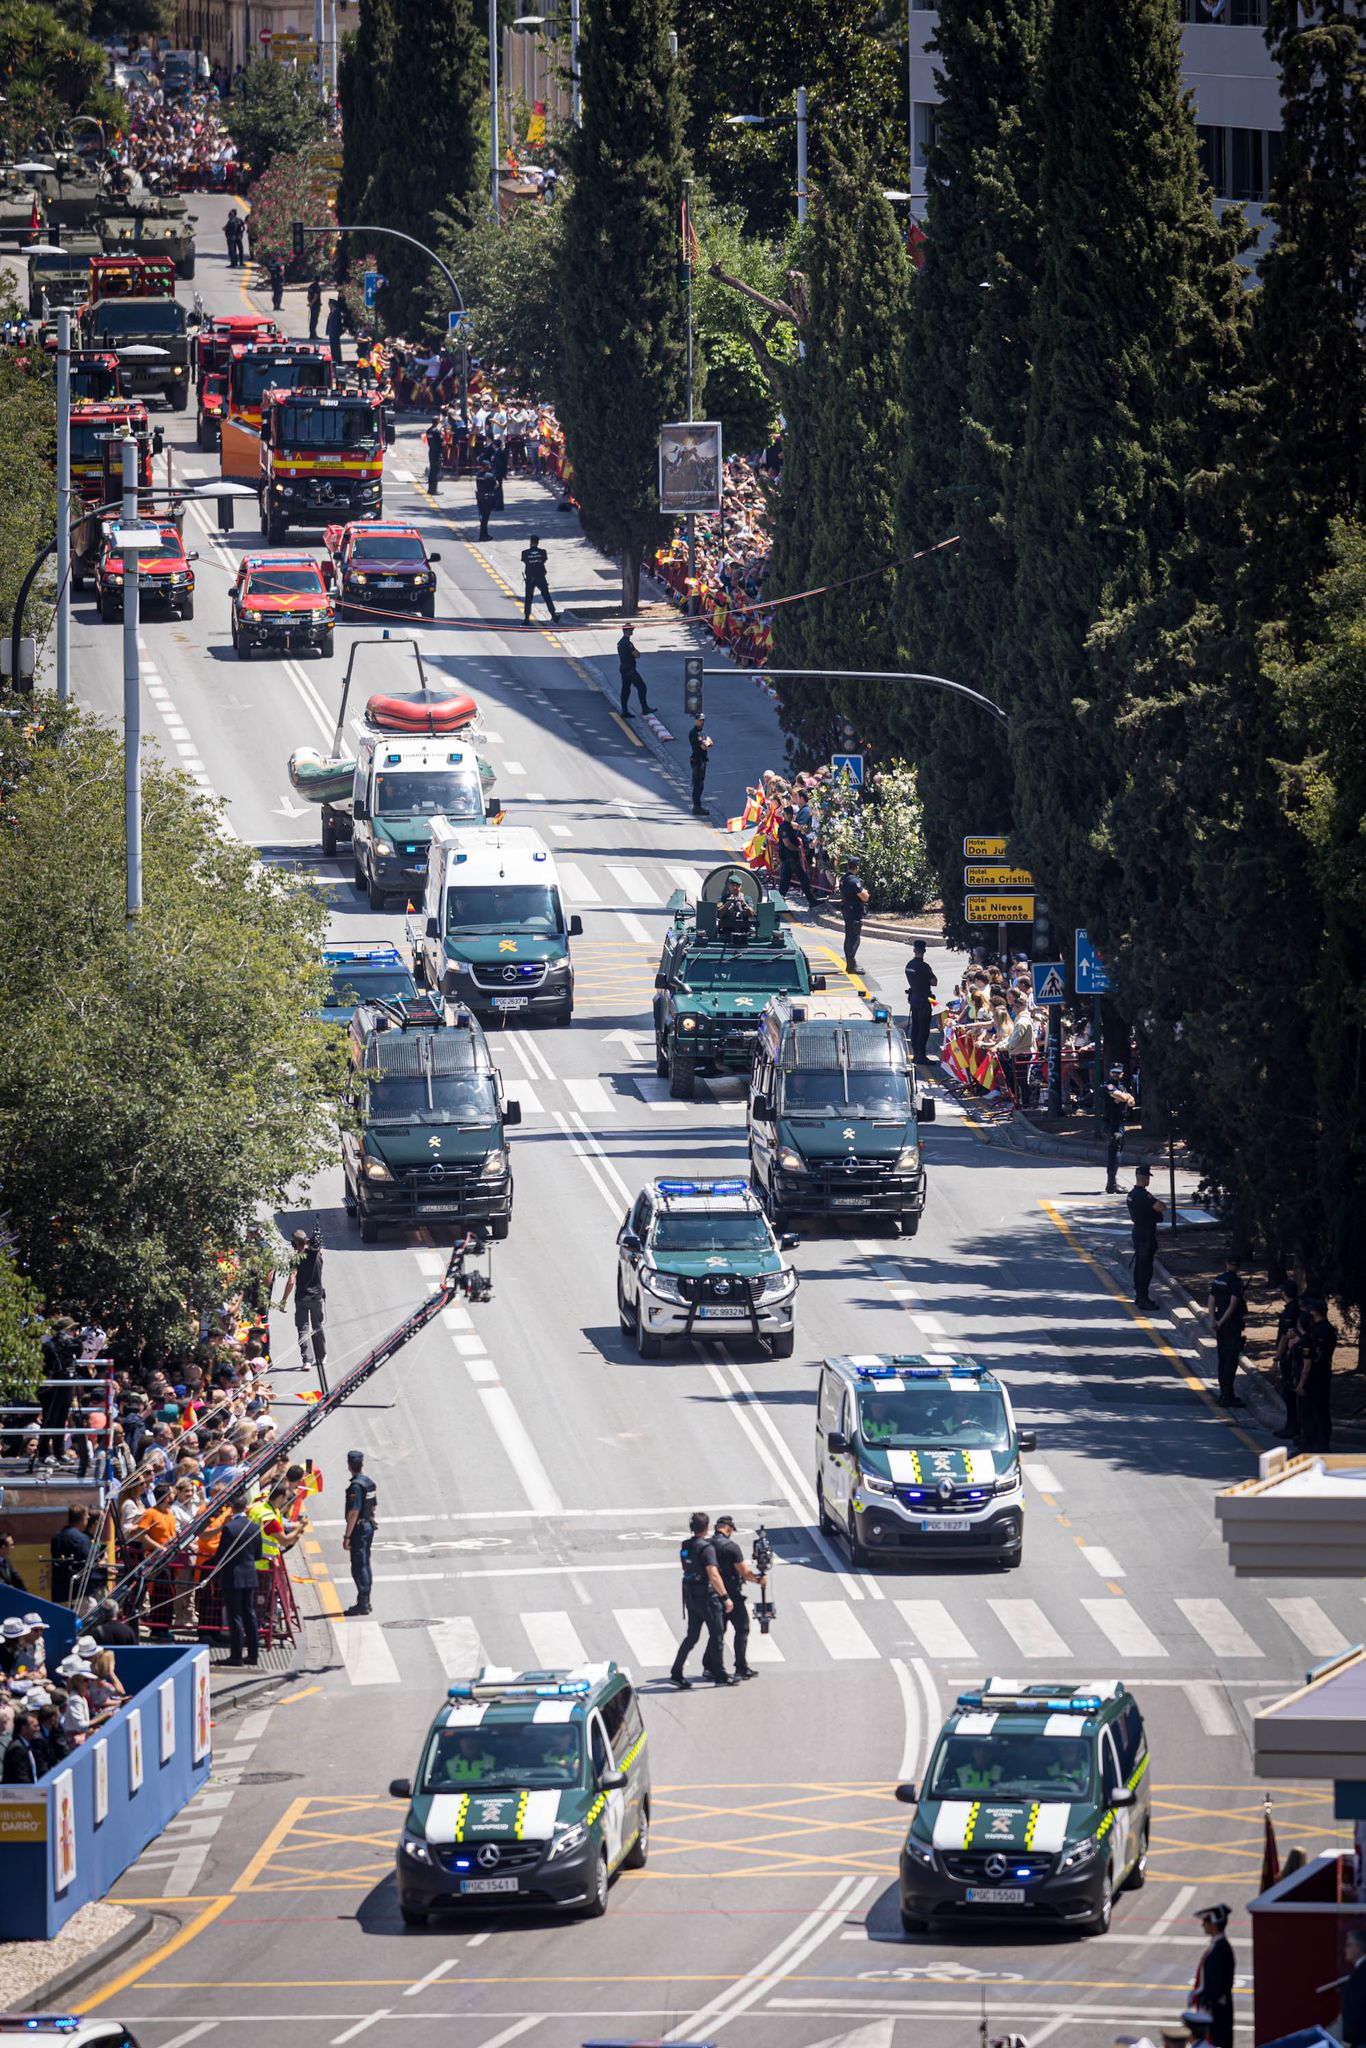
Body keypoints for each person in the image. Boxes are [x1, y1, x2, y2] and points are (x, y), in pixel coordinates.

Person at [670, 1510, 733, 1688]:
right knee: (717, 1634)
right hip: (707, 1597)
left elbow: (686, 1565)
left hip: (691, 1596)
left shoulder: (686, 1545)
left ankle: (676, 1672)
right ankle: (720, 1675)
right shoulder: (706, 1548)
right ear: (706, 1528)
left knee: (692, 1636)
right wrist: (726, 1597)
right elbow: (713, 1574)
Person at [712, 1514, 762, 1681]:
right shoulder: (731, 1547)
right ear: (728, 1528)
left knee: (717, 1633)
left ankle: (709, 1666)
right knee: (742, 1628)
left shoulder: (707, 1545)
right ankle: (741, 1667)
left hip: (713, 1594)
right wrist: (759, 1580)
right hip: (731, 1593)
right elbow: (744, 1572)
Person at [217, 1500, 262, 1665]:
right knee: (249, 1615)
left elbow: (222, 1554)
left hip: (233, 1576)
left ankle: (236, 1656)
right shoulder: (254, 1527)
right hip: (250, 1575)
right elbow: (258, 1554)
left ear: (232, 1508)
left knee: (235, 1615)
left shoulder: (230, 1528)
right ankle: (253, 1654)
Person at [280, 1229, 326, 1383]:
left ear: (294, 1244)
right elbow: (319, 1252)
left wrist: (283, 1300)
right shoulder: (317, 1254)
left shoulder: (296, 1259)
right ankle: (321, 1356)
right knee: (317, 1325)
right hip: (317, 1296)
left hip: (301, 1298)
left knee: (303, 1328)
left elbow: (291, 1280)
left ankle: (307, 1360)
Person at [1188, 1902, 1235, 2048]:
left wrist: (1205, 2003)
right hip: (1214, 2010)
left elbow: (1215, 1985)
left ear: (1213, 1924)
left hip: (1215, 2012)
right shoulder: (1219, 1947)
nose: (1203, 1925)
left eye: (1206, 1921)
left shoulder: (1220, 1950)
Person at [1298, 1293, 1338, 1454]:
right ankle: (1319, 1442)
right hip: (1323, 1374)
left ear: (1314, 1312)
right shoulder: (1327, 1329)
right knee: (1319, 1409)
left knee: (1314, 1410)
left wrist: (1301, 1383)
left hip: (1315, 1376)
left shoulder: (1318, 1332)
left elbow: (1309, 1362)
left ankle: (1317, 1444)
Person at [342, 1449, 377, 1616]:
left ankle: (363, 1603)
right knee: (365, 1563)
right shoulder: (369, 1482)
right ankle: (366, 1600)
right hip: (369, 1525)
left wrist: (347, 1536)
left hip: (359, 1529)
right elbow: (373, 1506)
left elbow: (353, 1512)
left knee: (358, 1565)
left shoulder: (356, 1486)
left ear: (349, 1466)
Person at [1208, 1259, 1247, 1408]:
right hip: (1231, 1325)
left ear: (1226, 1264)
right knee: (1231, 1360)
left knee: (1222, 1358)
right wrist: (1222, 1321)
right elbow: (1233, 1304)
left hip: (1219, 1324)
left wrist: (1213, 1320)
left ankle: (1223, 1392)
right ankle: (1227, 1394)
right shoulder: (1236, 1282)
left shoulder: (1219, 1279)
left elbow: (1211, 1299)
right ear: (1237, 1266)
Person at [1126, 1164, 1164, 1310]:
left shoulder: (1131, 1194)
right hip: (1146, 1235)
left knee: (1139, 1267)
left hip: (1138, 1231)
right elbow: (1160, 1206)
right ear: (1145, 1177)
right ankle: (1143, 1298)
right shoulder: (1143, 1195)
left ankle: (1139, 1296)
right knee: (1145, 1269)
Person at [1273, 1282, 1303, 1440]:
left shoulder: (1290, 1311)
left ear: (1284, 1293)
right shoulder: (1297, 1308)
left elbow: (1285, 1337)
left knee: (1289, 1391)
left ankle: (1293, 1426)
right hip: (1294, 1356)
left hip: (1289, 1357)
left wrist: (1277, 1357)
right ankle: (1290, 1424)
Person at [49, 1505, 93, 1606]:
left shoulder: (56, 1538)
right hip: (79, 1594)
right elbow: (88, 1564)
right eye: (87, 1517)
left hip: (59, 1593)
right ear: (82, 1519)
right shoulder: (82, 1539)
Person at [776, 806, 816, 912]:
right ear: (784, 815)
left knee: (785, 882)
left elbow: (797, 828)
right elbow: (787, 843)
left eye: (791, 814)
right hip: (789, 858)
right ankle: (811, 900)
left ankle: (778, 904)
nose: (790, 816)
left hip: (790, 858)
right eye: (788, 814)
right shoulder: (784, 827)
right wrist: (797, 849)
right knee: (802, 878)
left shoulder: (788, 826)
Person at [1102, 1064, 1135, 1192]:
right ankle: (1111, 1184)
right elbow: (1123, 1097)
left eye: (1118, 1073)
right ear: (1110, 1073)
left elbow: (1131, 1101)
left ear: (1122, 1074)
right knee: (1114, 1153)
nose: (1115, 1075)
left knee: (1118, 1152)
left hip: (1120, 1122)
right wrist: (1124, 1097)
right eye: (1113, 1072)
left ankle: (1112, 1182)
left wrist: (1124, 1098)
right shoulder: (1109, 1085)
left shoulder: (1121, 1086)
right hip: (1112, 1123)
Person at [904, 940, 937, 1063]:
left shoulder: (909, 965)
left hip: (914, 998)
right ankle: (921, 1056)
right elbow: (934, 982)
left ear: (914, 950)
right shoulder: (924, 966)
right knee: (923, 1029)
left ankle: (916, 1054)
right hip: (924, 1000)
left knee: (915, 1027)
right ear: (924, 951)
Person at [839, 857, 869, 975]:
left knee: (848, 937)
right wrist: (866, 892)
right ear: (857, 867)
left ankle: (850, 964)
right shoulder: (854, 881)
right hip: (854, 912)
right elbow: (865, 897)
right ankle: (851, 965)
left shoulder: (843, 879)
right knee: (855, 938)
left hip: (847, 909)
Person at [1339, 1925, 1366, 2047]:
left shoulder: (1362, 1973)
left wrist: (1348, 2038)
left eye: (1349, 1944)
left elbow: (1356, 2008)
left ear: (1360, 1947)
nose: (1345, 1949)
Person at [521, 534, 559, 622]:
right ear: (538, 543)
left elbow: (524, 561)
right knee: (546, 596)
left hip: (530, 578)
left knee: (528, 598)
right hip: (540, 577)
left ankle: (527, 619)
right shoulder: (543, 552)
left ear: (530, 543)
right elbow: (544, 560)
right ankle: (553, 615)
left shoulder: (525, 553)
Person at [618, 625, 651, 717]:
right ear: (627, 631)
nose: (632, 631)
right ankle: (644, 708)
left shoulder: (620, 642)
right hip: (630, 669)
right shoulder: (627, 643)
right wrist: (636, 652)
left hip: (624, 668)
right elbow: (637, 655)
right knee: (641, 686)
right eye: (631, 630)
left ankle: (624, 711)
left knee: (625, 690)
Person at [2, 1712, 39, 1784]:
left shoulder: (27, 1745)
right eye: (35, 1726)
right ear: (24, 1728)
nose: (38, 1729)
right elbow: (21, 1778)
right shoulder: (17, 1749)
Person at [688, 712, 711, 816]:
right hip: (698, 761)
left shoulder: (702, 732)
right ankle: (696, 806)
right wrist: (707, 743)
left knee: (700, 783)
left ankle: (698, 806)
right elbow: (704, 746)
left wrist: (707, 742)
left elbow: (710, 742)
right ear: (696, 720)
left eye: (703, 720)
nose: (702, 722)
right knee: (698, 784)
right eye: (700, 720)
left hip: (702, 760)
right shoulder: (694, 733)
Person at [474, 464, 497, 539]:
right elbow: (496, 485)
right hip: (487, 498)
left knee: (482, 517)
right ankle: (483, 535)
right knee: (485, 518)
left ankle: (483, 534)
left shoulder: (478, 475)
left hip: (480, 497)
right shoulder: (490, 476)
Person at [426, 416, 445, 496]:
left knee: (432, 471)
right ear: (437, 422)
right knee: (436, 471)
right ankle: (434, 490)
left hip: (431, 451)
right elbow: (442, 443)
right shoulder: (437, 431)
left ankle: (430, 489)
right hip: (437, 452)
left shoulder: (428, 431)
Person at [325, 296, 344, 368]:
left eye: (330, 304)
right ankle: (334, 359)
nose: (329, 305)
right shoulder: (332, 312)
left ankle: (338, 360)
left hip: (335, 333)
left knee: (336, 347)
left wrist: (338, 332)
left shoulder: (336, 312)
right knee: (332, 347)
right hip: (331, 332)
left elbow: (337, 324)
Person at [306, 275, 322, 339]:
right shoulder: (317, 287)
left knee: (312, 319)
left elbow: (308, 296)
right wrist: (312, 303)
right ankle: (313, 334)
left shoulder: (311, 286)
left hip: (312, 305)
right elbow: (316, 296)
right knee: (314, 320)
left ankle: (312, 334)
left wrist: (310, 303)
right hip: (316, 305)